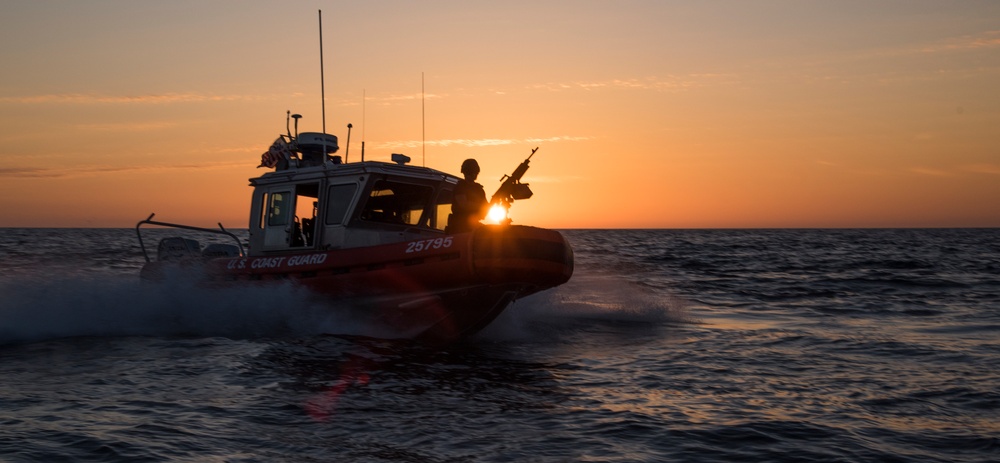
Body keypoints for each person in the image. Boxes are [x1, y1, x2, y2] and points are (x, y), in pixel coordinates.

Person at [448, 158, 490, 233]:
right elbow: (464, 204)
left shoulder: (479, 189)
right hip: (459, 228)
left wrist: (485, 208)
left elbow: (486, 207)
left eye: (475, 172)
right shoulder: (460, 186)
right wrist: (481, 206)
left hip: (474, 226)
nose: (474, 174)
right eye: (471, 172)